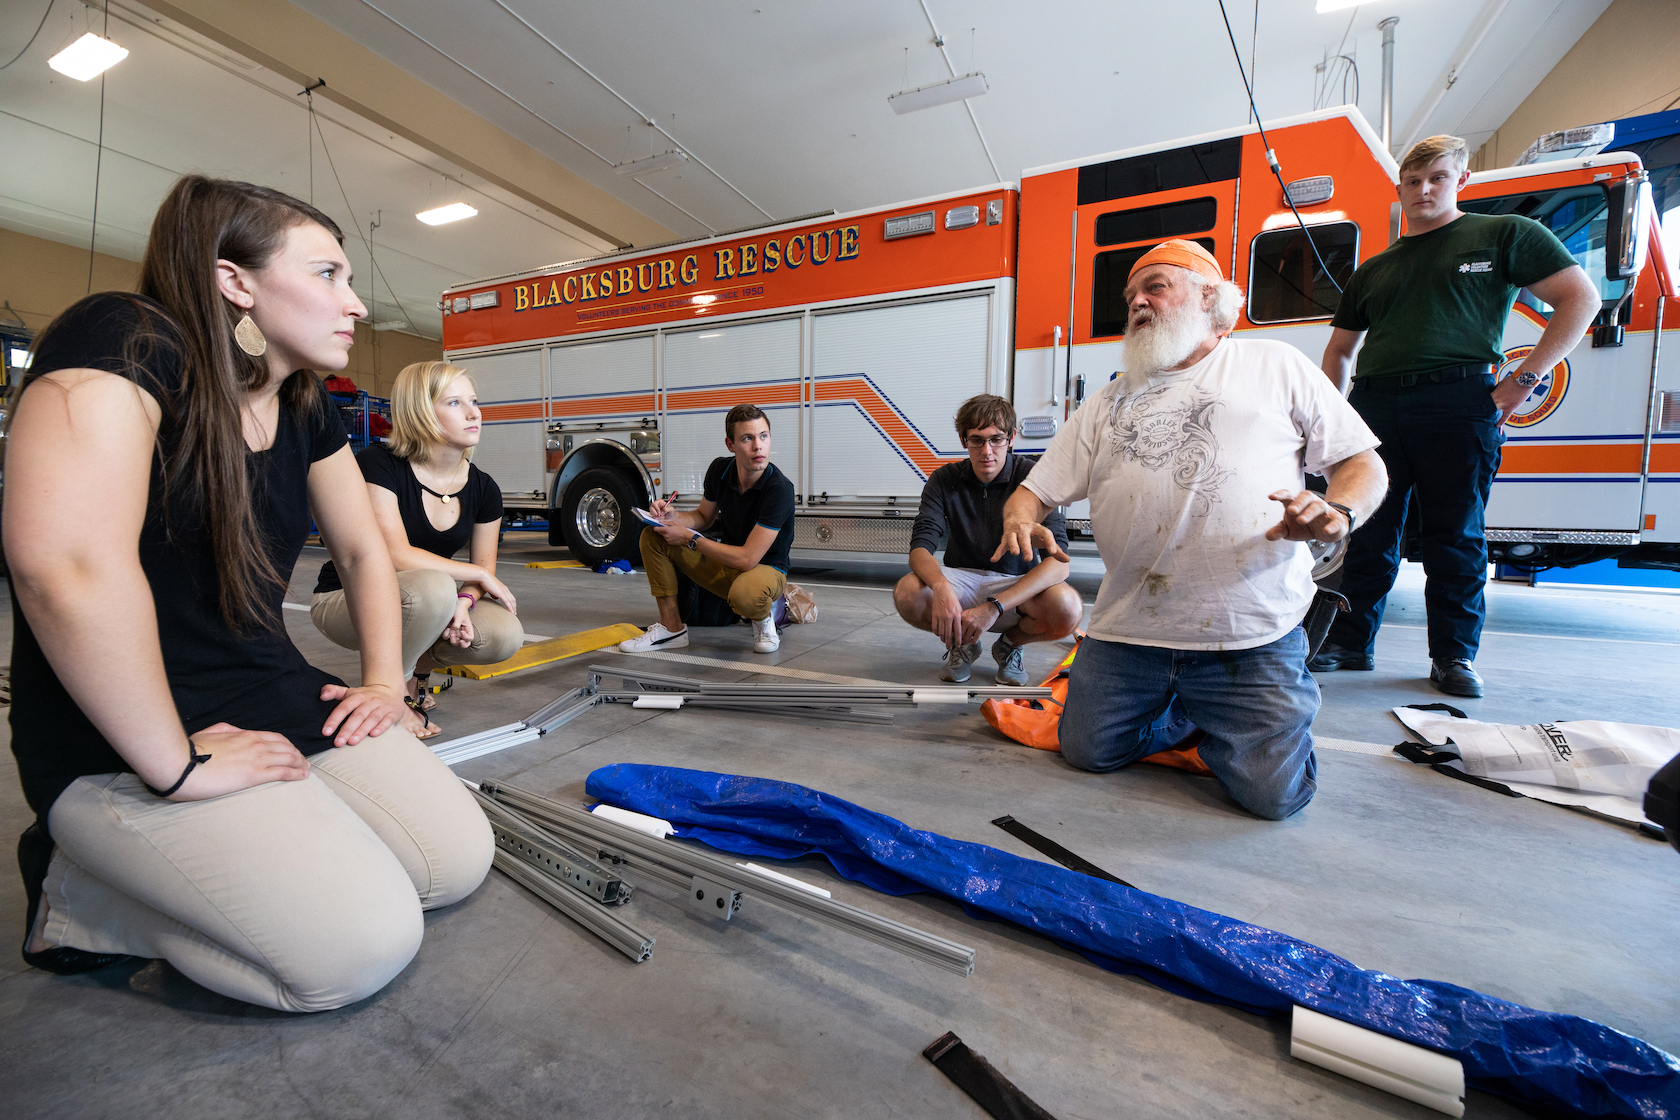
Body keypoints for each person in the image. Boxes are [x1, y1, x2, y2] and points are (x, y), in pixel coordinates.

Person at [5, 175, 492, 1011]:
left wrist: (384, 684)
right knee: (357, 950)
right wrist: (175, 763)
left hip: (266, 688)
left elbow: (364, 552)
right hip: (123, 733)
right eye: (328, 274)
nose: (357, 304)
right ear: (235, 281)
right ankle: (75, 894)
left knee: (452, 862)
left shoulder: (304, 401)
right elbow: (66, 563)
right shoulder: (126, 339)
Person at [995, 239, 1388, 820]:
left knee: (1273, 799)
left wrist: (1339, 513)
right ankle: (1193, 712)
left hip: (1248, 633)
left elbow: (1363, 463)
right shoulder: (1108, 400)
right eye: (1131, 294)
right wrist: (1020, 517)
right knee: (1089, 752)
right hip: (1129, 630)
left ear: (1211, 298)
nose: (1137, 303)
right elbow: (1033, 491)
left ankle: (1260, 707)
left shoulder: (1273, 364)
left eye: (1155, 286)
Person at [1313, 134, 1600, 698]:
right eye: (1413, 181)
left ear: (1460, 181)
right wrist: (1330, 421)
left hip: (1460, 399)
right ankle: (1349, 642)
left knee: (1456, 535)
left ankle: (1453, 656)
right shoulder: (1374, 269)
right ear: (1400, 187)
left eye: (1437, 178)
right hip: (1375, 406)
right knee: (1366, 533)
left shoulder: (1503, 235)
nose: (1424, 189)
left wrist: (1525, 378)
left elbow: (1580, 298)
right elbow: (1341, 352)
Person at [311, 360, 524, 737]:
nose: (474, 413)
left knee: (503, 633)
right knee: (433, 587)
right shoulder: (379, 464)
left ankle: (417, 674)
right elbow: (392, 554)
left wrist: (465, 602)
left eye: (474, 401)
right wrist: (473, 576)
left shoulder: (484, 488)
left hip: (427, 601)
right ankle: (393, 693)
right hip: (349, 598)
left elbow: (482, 574)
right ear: (421, 411)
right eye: (455, 403)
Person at [894, 394, 1082, 683]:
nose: (987, 451)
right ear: (963, 440)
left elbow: (1060, 565)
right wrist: (941, 587)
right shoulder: (944, 479)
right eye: (976, 440)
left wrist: (994, 606)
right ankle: (964, 643)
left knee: (1068, 607)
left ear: (1012, 438)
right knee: (907, 592)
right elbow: (920, 548)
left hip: (1015, 585)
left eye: (996, 439)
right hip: (962, 578)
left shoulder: (1033, 477)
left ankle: (1009, 646)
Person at [619, 403, 795, 655]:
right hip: (729, 563)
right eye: (747, 438)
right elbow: (702, 517)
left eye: (763, 436)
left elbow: (748, 559)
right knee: (653, 536)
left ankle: (763, 617)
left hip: (766, 569)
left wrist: (689, 538)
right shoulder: (719, 471)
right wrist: (673, 516)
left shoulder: (779, 489)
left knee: (747, 596)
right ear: (730, 445)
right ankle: (672, 629)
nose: (758, 446)